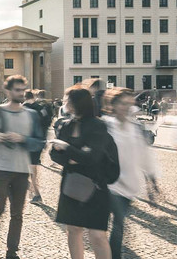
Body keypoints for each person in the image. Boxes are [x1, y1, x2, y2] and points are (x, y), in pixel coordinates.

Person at [50, 85, 118, 259]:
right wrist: (75, 155)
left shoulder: (98, 126)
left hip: (96, 186)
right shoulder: (65, 125)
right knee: (73, 230)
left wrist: (67, 149)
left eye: (67, 100)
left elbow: (93, 158)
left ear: (76, 103)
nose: (64, 102)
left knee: (97, 235)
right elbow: (54, 155)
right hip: (71, 185)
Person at [0, 76, 45, 259]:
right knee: (0, 207)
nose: (21, 93)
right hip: (1, 167)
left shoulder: (31, 115)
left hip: (21, 169)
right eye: (17, 90)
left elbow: (39, 143)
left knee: (17, 213)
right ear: (8, 91)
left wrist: (23, 139)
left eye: (23, 90)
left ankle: (12, 250)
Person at [102, 88, 158, 259]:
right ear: (113, 105)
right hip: (109, 184)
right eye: (122, 103)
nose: (126, 107)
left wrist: (152, 181)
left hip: (129, 185)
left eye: (129, 103)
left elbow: (144, 154)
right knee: (113, 225)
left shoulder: (135, 127)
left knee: (119, 224)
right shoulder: (105, 125)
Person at [21, 90, 51, 205]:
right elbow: (47, 122)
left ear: (24, 97)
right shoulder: (41, 108)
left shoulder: (23, 109)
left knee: (28, 169)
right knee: (32, 168)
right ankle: (33, 191)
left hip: (26, 141)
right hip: (39, 141)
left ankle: (36, 193)